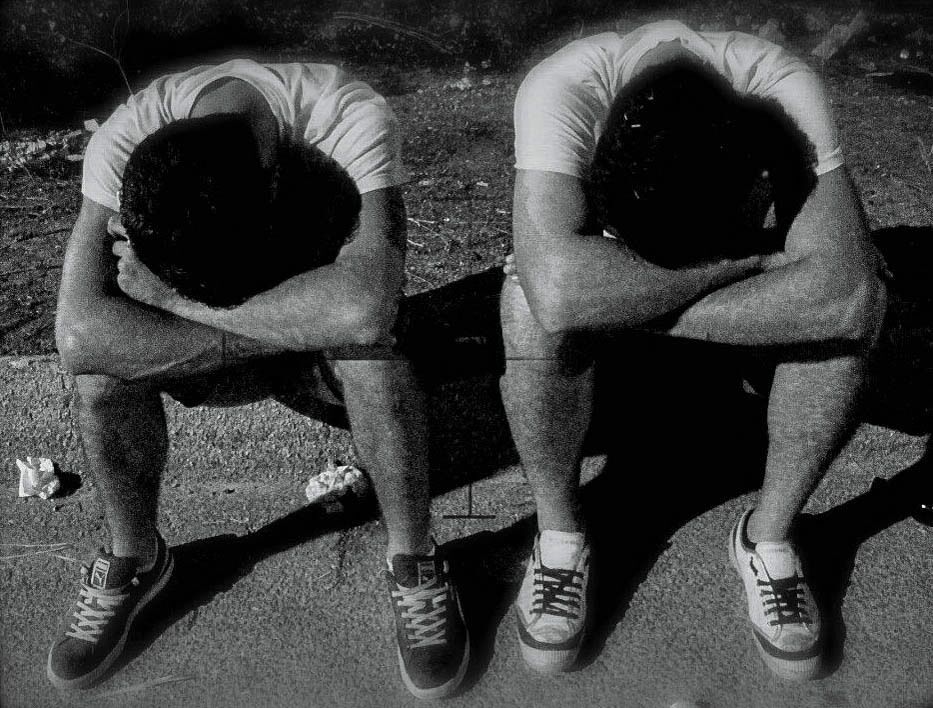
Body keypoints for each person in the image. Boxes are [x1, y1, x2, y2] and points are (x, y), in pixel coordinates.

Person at [48, 59, 468, 699]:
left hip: (313, 348)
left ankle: (413, 557)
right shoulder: (122, 142)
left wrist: (178, 301)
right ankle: (136, 558)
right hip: (287, 330)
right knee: (101, 375)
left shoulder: (345, 117)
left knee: (375, 356)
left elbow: (366, 308)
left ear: (274, 186)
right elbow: (78, 332)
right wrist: (293, 320)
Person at [501, 20, 886, 680]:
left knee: (851, 325)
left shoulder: (782, 89)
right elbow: (557, 300)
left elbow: (849, 298)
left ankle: (767, 537)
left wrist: (623, 304)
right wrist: (736, 269)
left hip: (650, 278)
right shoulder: (561, 89)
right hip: (680, 268)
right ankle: (560, 536)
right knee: (526, 313)